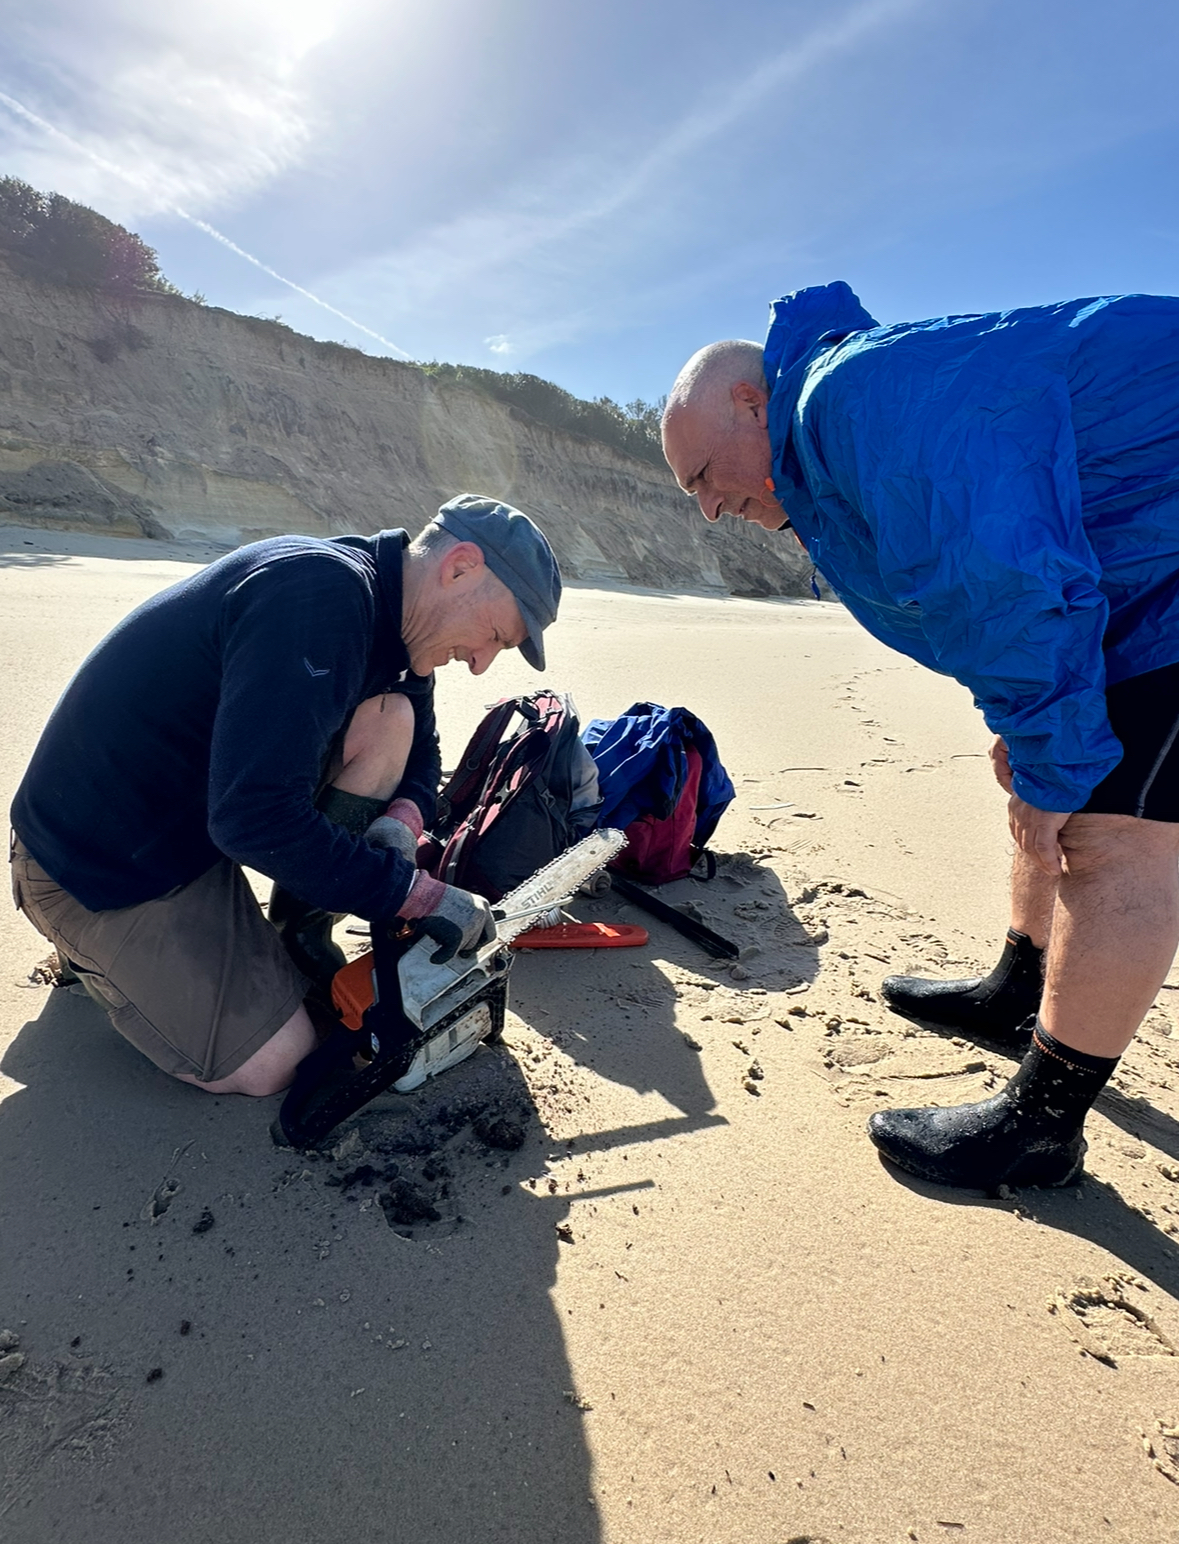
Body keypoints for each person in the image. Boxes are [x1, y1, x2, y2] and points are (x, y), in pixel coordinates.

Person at [662, 281, 1179, 1192]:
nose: (706, 508)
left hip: (1159, 585)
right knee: (1041, 772)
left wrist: (1054, 769)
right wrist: (1022, 731)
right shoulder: (837, 433)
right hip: (1136, 573)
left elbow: (1007, 575)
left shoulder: (856, 402)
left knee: (1112, 833)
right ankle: (1020, 986)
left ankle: (1039, 1129)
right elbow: (969, 593)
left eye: (703, 476)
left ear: (752, 404)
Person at [10, 493, 561, 1098]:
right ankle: (93, 959)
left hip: (193, 827)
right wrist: (411, 893)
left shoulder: (394, 621)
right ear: (459, 566)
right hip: (98, 863)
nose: (481, 665)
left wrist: (399, 824)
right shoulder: (318, 597)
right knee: (276, 1063)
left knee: (391, 718)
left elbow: (422, 752)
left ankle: (298, 930)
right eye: (494, 636)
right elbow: (252, 818)